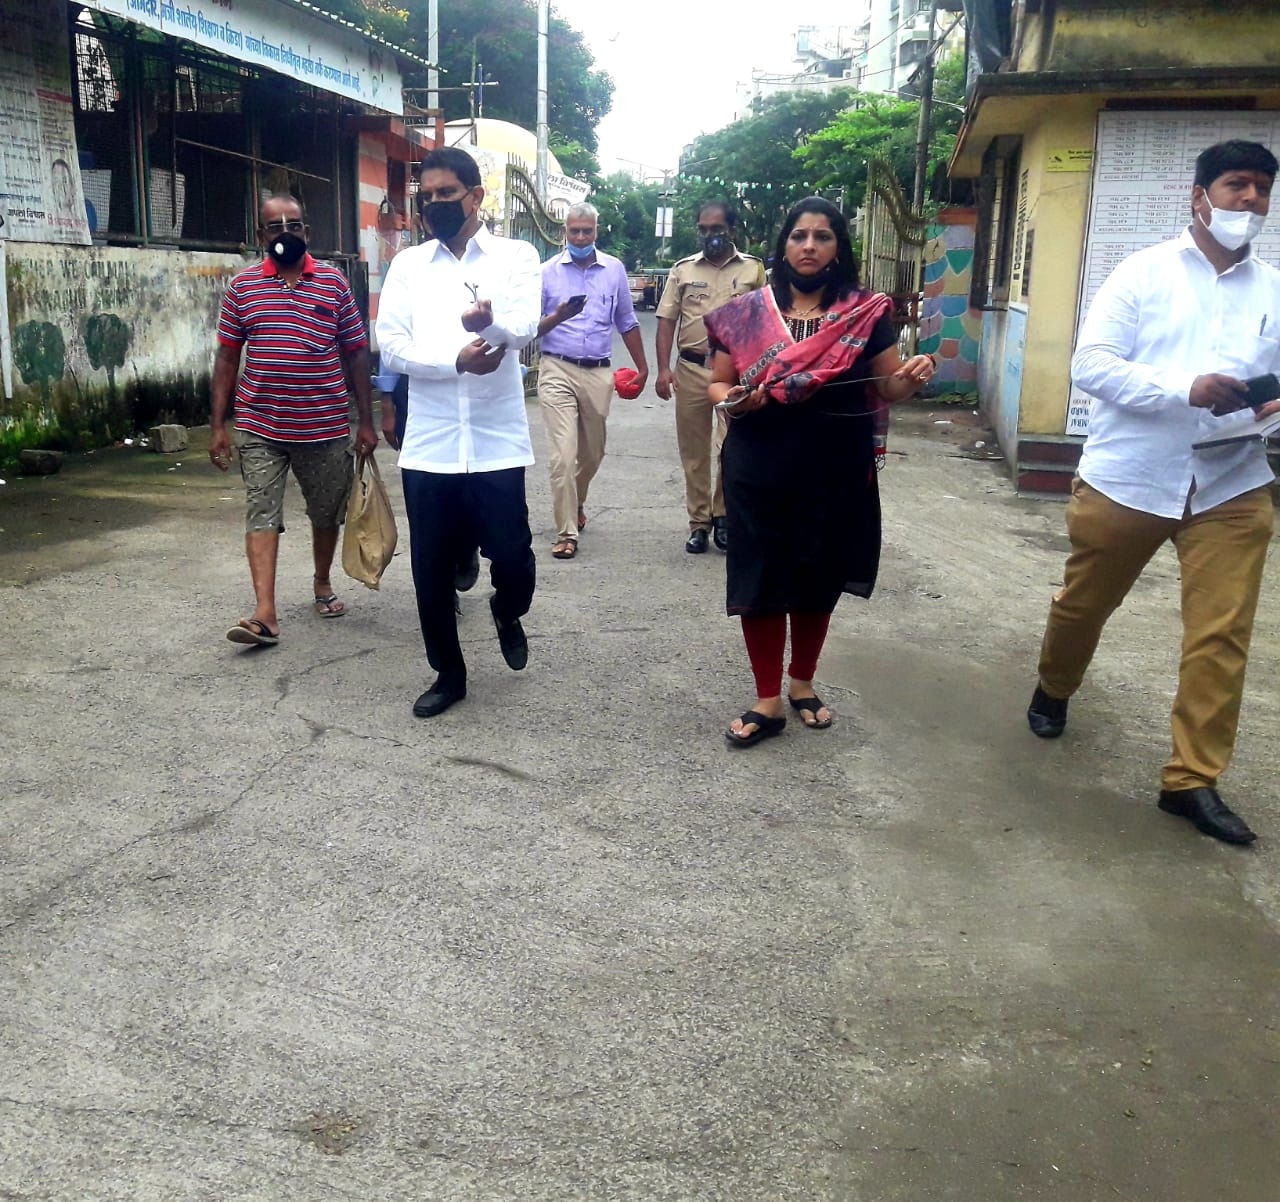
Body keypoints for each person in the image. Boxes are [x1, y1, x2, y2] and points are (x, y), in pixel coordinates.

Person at [1026, 139, 1280, 846]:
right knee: (1084, 604)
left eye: (1262, 189)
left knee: (1220, 635)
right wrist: (1182, 389)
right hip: (1131, 475)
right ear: (1199, 196)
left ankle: (1191, 781)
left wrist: (1271, 407)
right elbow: (1092, 366)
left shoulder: (1274, 289)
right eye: (1236, 186)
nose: (1250, 201)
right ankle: (1055, 684)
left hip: (1232, 484)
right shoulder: (1141, 274)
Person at [704, 196, 935, 747]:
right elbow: (717, 382)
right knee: (760, 576)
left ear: (838, 246)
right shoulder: (749, 311)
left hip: (836, 462)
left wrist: (911, 378)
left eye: (823, 236)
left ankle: (802, 682)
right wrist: (734, 398)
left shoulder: (865, 311)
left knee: (818, 573)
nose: (810, 246)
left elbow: (885, 387)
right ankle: (768, 699)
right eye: (799, 236)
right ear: (783, 245)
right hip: (759, 459)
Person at [374, 146, 541, 719]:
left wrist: (486, 326)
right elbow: (392, 344)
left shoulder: (516, 256)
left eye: (447, 194)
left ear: (476, 197)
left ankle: (506, 608)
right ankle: (449, 673)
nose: (435, 204)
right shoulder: (408, 266)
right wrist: (455, 361)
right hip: (433, 442)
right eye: (428, 195)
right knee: (429, 571)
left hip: (496, 439)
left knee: (515, 558)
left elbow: (521, 327)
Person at [210, 194, 376, 647]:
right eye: (275, 226)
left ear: (308, 231)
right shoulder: (243, 288)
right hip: (260, 425)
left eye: (295, 225)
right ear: (261, 236)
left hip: (323, 425)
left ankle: (322, 581)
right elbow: (227, 357)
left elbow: (356, 352)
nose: (286, 233)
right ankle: (265, 613)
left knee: (326, 513)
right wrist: (219, 425)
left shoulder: (334, 284)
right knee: (260, 511)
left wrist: (365, 420)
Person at [536, 202, 649, 559]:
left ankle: (578, 499)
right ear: (564, 233)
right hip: (556, 367)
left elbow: (627, 321)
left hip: (599, 372)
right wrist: (558, 315)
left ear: (596, 232)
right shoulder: (547, 272)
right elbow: (530, 329)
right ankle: (567, 532)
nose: (581, 237)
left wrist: (643, 368)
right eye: (574, 232)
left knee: (592, 453)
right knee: (562, 457)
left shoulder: (613, 270)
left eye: (587, 231)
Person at [655, 200, 766, 553]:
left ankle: (723, 515)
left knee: (731, 446)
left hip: (736, 372)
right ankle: (698, 523)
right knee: (694, 452)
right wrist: (662, 369)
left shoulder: (753, 270)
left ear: (731, 229)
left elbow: (765, 321)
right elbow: (666, 320)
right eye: (703, 229)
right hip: (691, 368)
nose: (709, 235)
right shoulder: (683, 270)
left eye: (716, 229)